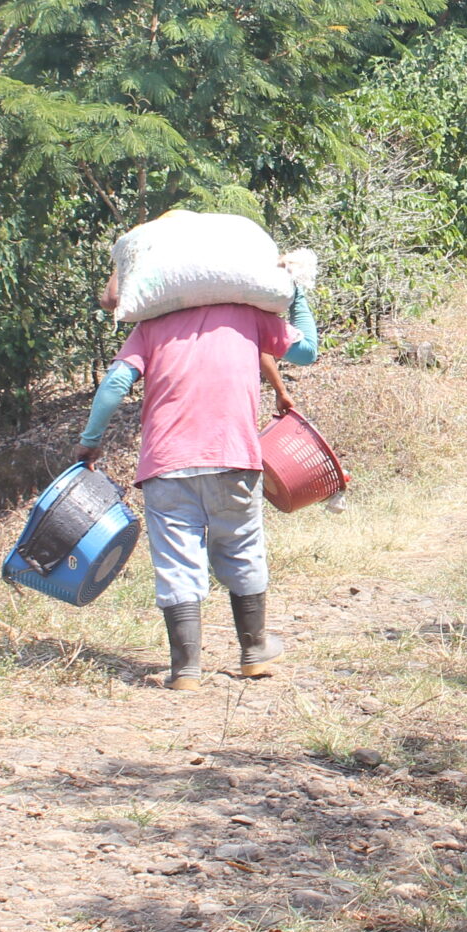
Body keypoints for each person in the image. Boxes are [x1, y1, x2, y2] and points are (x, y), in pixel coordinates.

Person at [77, 272, 320, 691]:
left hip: (166, 465)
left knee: (176, 561)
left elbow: (117, 383)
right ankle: (254, 651)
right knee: (242, 550)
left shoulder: (150, 326)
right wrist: (296, 293)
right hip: (233, 458)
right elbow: (306, 353)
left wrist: (90, 442)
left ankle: (186, 670)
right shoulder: (249, 315)